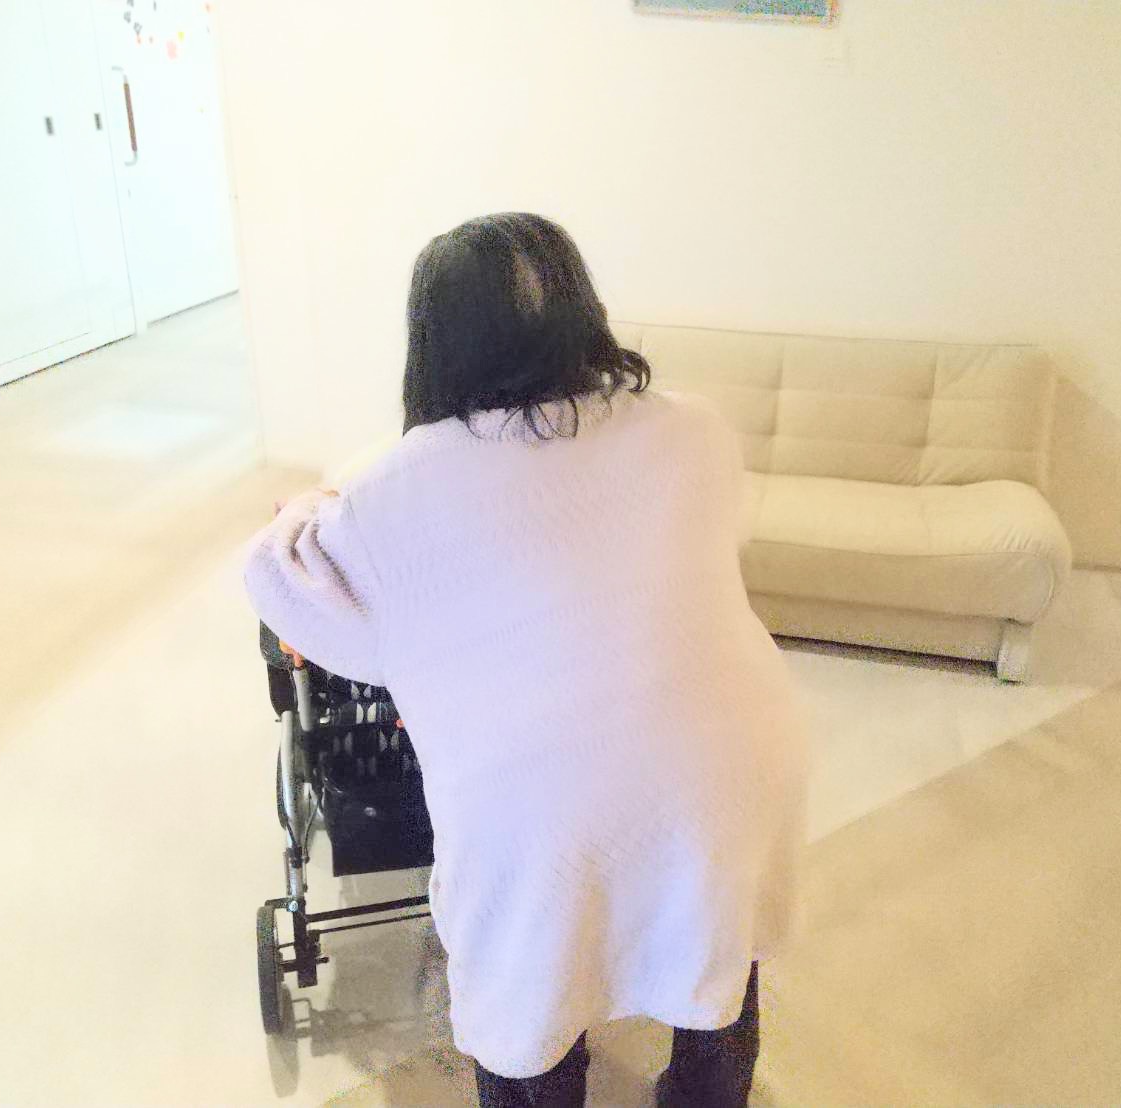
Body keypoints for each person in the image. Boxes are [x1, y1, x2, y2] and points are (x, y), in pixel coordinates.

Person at [244, 213, 809, 1107]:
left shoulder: (391, 493)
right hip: (737, 749)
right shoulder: (695, 430)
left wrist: (310, 505)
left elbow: (282, 585)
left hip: (540, 796)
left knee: (527, 983)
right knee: (715, 927)